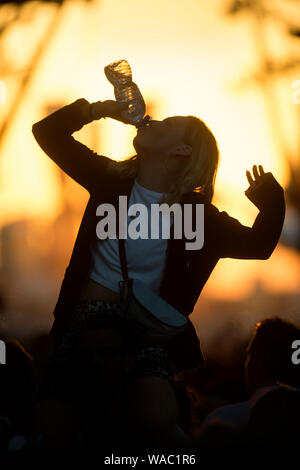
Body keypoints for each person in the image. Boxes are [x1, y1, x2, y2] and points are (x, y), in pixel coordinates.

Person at [32, 97, 285, 446]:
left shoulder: (198, 215)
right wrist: (97, 110)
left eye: (168, 125)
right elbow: (47, 132)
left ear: (181, 150)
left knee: (152, 422)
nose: (153, 121)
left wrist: (272, 204)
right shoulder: (109, 180)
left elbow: (258, 246)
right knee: (52, 430)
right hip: (83, 328)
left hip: (146, 338)